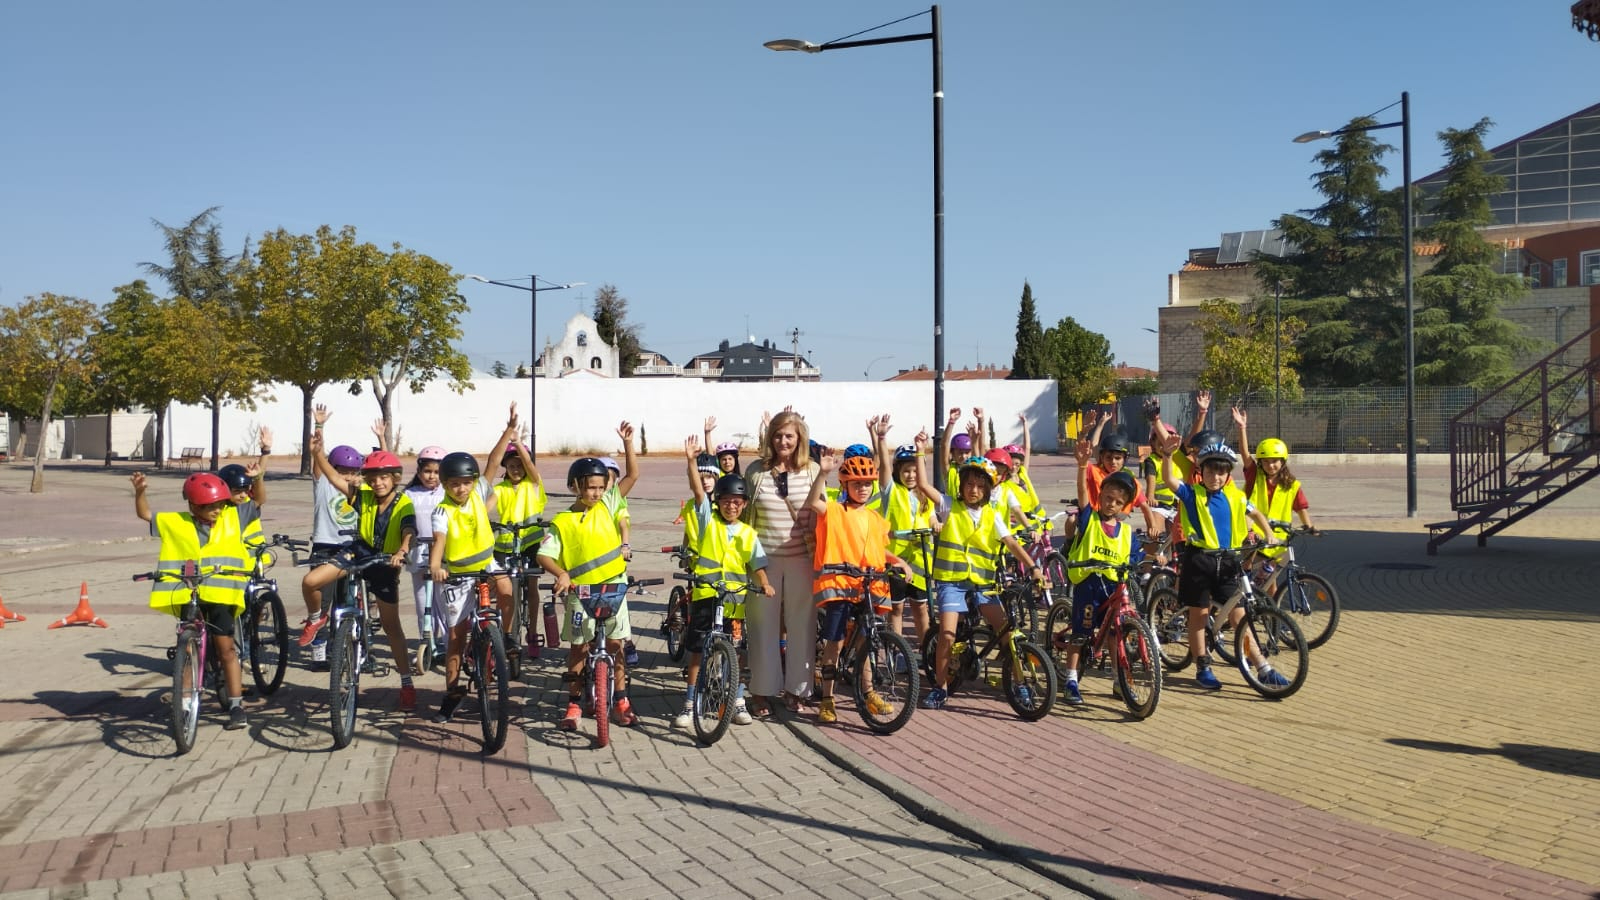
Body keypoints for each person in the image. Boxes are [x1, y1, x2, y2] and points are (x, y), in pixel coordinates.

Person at [299, 437, 420, 710]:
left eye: (384, 478)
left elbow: (409, 530)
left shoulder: (404, 504)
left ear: (395, 478)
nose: (378, 483)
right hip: (358, 552)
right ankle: (316, 619)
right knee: (310, 581)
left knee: (392, 627)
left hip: (386, 562)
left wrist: (401, 552)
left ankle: (406, 683)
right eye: (373, 478)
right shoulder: (361, 495)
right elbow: (332, 477)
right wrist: (318, 452)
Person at [1157, 434, 1285, 690]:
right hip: (1199, 561)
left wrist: (1268, 533)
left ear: (1227, 475)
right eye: (1210, 471)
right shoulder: (1193, 494)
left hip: (1227, 563)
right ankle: (1203, 665)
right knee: (1199, 616)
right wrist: (1168, 456)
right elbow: (1171, 481)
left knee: (1239, 617)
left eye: (1221, 472)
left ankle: (1262, 667)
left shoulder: (1235, 496)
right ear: (1201, 471)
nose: (1215, 477)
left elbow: (1256, 513)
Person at [538, 422, 641, 731]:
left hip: (614, 587)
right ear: (575, 487)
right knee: (578, 649)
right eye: (590, 487)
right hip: (579, 593)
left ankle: (621, 701)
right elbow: (543, 554)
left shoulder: (610, 504)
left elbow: (633, 476)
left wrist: (628, 444)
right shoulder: (563, 520)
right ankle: (573, 704)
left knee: (616, 645)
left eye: (601, 486)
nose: (597, 492)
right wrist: (561, 573)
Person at [922, 456, 1046, 710]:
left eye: (980, 486)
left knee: (1006, 632)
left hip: (983, 584)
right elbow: (924, 486)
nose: (973, 490)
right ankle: (940, 687)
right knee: (947, 635)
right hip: (951, 582)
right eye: (969, 485)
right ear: (961, 486)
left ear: (988, 490)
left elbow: (1011, 542)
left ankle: (1019, 683)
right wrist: (921, 452)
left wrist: (1034, 568)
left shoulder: (991, 515)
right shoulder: (949, 505)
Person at [132, 471, 253, 730]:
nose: (216, 510)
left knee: (227, 650)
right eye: (209, 506)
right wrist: (140, 492)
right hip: (190, 594)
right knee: (187, 648)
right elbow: (145, 515)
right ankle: (185, 702)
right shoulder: (176, 522)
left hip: (221, 595)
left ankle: (236, 705)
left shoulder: (233, 516)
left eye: (219, 505)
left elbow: (258, 500)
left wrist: (259, 475)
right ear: (192, 505)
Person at [676, 436, 772, 730]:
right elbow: (697, 491)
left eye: (737, 502)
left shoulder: (747, 532)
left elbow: (756, 563)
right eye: (726, 501)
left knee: (735, 652)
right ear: (718, 502)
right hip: (707, 595)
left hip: (734, 602)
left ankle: (737, 699)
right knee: (697, 650)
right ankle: (690, 703)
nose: (731, 506)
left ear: (743, 505)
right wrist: (692, 461)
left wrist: (765, 583)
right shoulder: (708, 520)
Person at [802, 449, 903, 724]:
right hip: (839, 585)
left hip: (867, 586)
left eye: (867, 483)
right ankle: (827, 698)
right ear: (845, 485)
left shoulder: (874, 518)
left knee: (867, 641)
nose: (863, 488)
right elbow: (814, 502)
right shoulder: (834, 510)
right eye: (857, 483)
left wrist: (900, 561)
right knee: (835, 643)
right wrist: (822, 473)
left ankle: (868, 692)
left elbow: (878, 551)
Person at [740, 409, 822, 716]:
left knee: (802, 626)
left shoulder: (813, 470)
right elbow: (747, 517)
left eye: (789, 435)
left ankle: (796, 690)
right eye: (777, 435)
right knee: (762, 627)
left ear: (799, 438)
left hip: (803, 559)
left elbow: (821, 512)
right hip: (765, 561)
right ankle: (761, 691)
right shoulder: (756, 471)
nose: (782, 441)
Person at [428, 449, 515, 722]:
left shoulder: (478, 493)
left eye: (466, 482)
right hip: (457, 574)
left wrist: (509, 430)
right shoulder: (442, 511)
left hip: (486, 562)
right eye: (454, 484)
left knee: (506, 589)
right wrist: (435, 566)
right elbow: (439, 540)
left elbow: (492, 462)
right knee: (456, 637)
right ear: (444, 485)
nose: (461, 488)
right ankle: (452, 694)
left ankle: (506, 636)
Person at [1057, 443, 1139, 705]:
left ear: (1125, 506)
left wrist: (1153, 558)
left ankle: (1119, 680)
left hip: (1113, 589)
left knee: (1117, 635)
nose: (1111, 505)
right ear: (1100, 495)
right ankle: (1071, 678)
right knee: (1081, 633)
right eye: (1108, 498)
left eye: (1118, 502)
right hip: (1089, 586)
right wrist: (1082, 466)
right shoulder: (1089, 518)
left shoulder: (1127, 534)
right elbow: (1082, 493)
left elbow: (1136, 557)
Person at [304, 405, 363, 670]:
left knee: (346, 601)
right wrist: (319, 427)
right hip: (325, 547)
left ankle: (344, 648)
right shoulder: (325, 482)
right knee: (323, 603)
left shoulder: (358, 490)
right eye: (343, 470)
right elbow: (318, 457)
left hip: (350, 548)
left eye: (353, 471)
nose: (348, 475)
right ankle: (319, 652)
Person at [489, 407, 546, 663]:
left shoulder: (532, 485)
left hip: (530, 542)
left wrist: (517, 443)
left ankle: (533, 632)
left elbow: (532, 468)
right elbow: (486, 508)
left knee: (532, 586)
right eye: (511, 465)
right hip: (504, 545)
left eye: (519, 465)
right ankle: (509, 633)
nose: (516, 469)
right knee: (507, 591)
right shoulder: (499, 489)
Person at [875, 426, 940, 646]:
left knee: (921, 606)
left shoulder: (925, 494)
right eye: (906, 471)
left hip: (921, 559)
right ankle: (897, 651)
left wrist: (936, 525)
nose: (911, 475)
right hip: (896, 559)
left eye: (915, 471)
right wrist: (881, 439)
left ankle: (926, 650)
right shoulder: (891, 491)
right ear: (897, 472)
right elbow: (883, 466)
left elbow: (930, 517)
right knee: (897, 607)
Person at [1233, 407, 1318, 556]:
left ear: (1283, 461)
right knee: (1251, 570)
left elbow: (1301, 508)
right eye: (1265, 462)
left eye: (1274, 461)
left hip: (1277, 538)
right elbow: (1244, 453)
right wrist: (1242, 427)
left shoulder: (1291, 485)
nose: (1270, 465)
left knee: (1271, 577)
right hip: (1252, 532)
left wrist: (1309, 526)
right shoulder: (1255, 475)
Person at [405, 445, 447, 671]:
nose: (432, 476)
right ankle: (427, 642)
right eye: (427, 471)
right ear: (419, 471)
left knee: (443, 602)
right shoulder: (409, 494)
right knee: (423, 604)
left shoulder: (447, 492)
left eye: (437, 471)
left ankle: (449, 645)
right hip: (418, 553)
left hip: (442, 555)